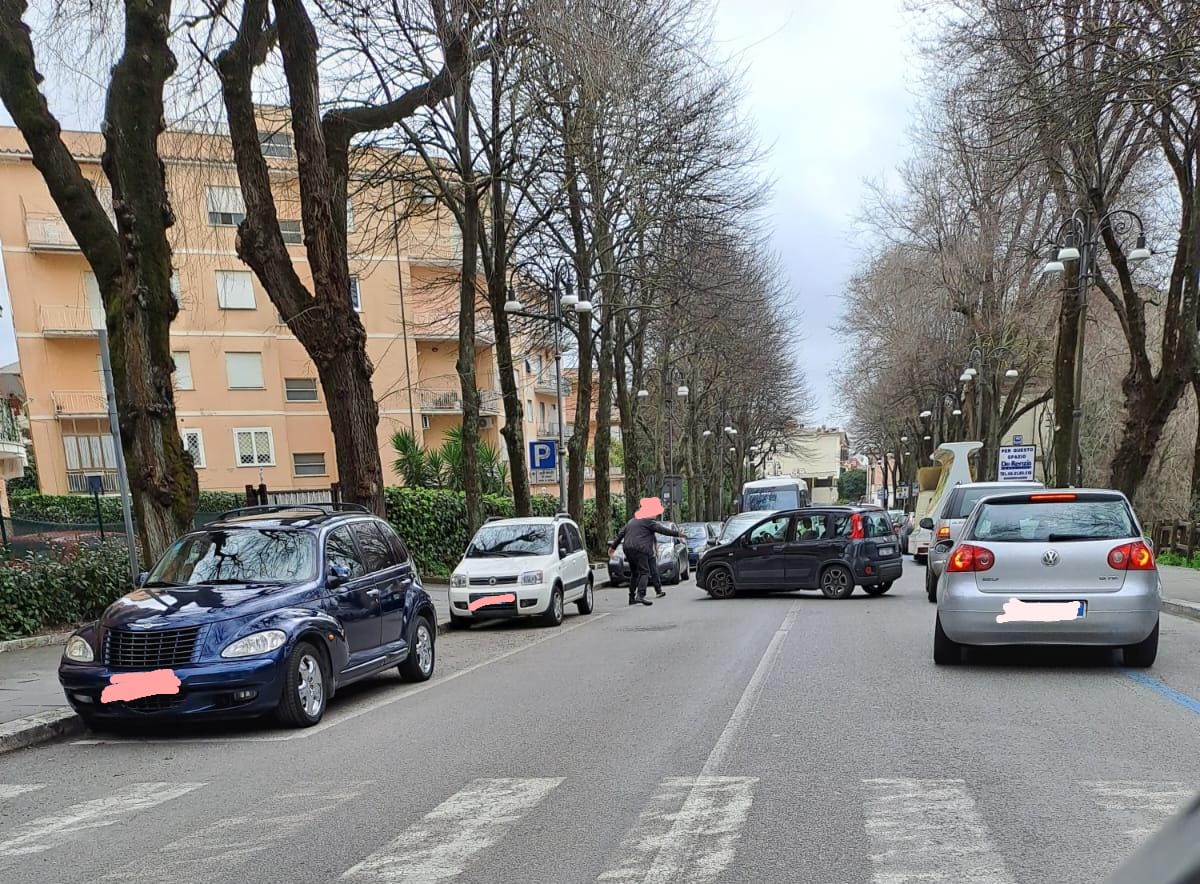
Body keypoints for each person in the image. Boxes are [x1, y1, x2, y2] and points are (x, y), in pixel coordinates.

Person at [609, 497, 685, 606]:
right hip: (641, 549)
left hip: (628, 548)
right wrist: (678, 534)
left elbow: (621, 534)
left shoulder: (632, 521)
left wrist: (613, 547)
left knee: (635, 573)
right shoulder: (648, 521)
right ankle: (641, 595)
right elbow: (662, 530)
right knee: (644, 572)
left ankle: (631, 597)